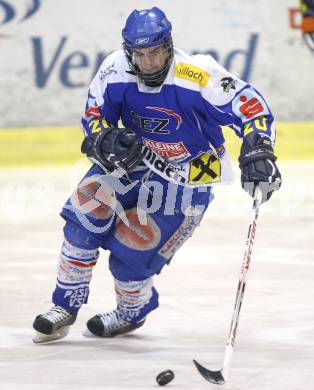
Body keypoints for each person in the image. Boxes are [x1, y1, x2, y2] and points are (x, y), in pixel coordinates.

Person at [32, 7, 281, 343]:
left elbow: (250, 105)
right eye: (140, 54)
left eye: (156, 52)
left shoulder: (197, 75)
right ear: (128, 52)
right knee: (82, 222)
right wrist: (102, 137)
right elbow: (94, 116)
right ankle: (64, 306)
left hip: (188, 177)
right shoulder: (114, 70)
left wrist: (259, 146)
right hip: (130, 164)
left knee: (132, 256)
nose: (148, 62)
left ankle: (131, 312)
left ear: (169, 46)